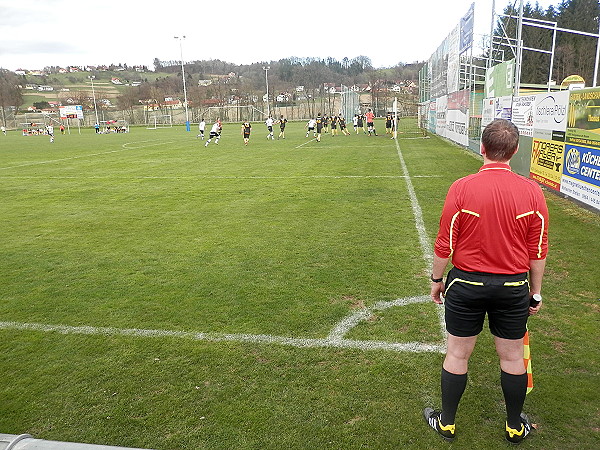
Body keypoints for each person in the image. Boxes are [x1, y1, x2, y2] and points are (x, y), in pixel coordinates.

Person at [424, 119, 549, 444]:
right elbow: (538, 250)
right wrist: (535, 293)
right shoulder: (532, 192)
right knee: (511, 358)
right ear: (515, 151)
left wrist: (437, 279)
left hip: (466, 285)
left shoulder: (462, 188)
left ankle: (447, 423)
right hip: (511, 288)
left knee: (457, 354)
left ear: (482, 148)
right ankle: (513, 427)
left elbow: (444, 242)